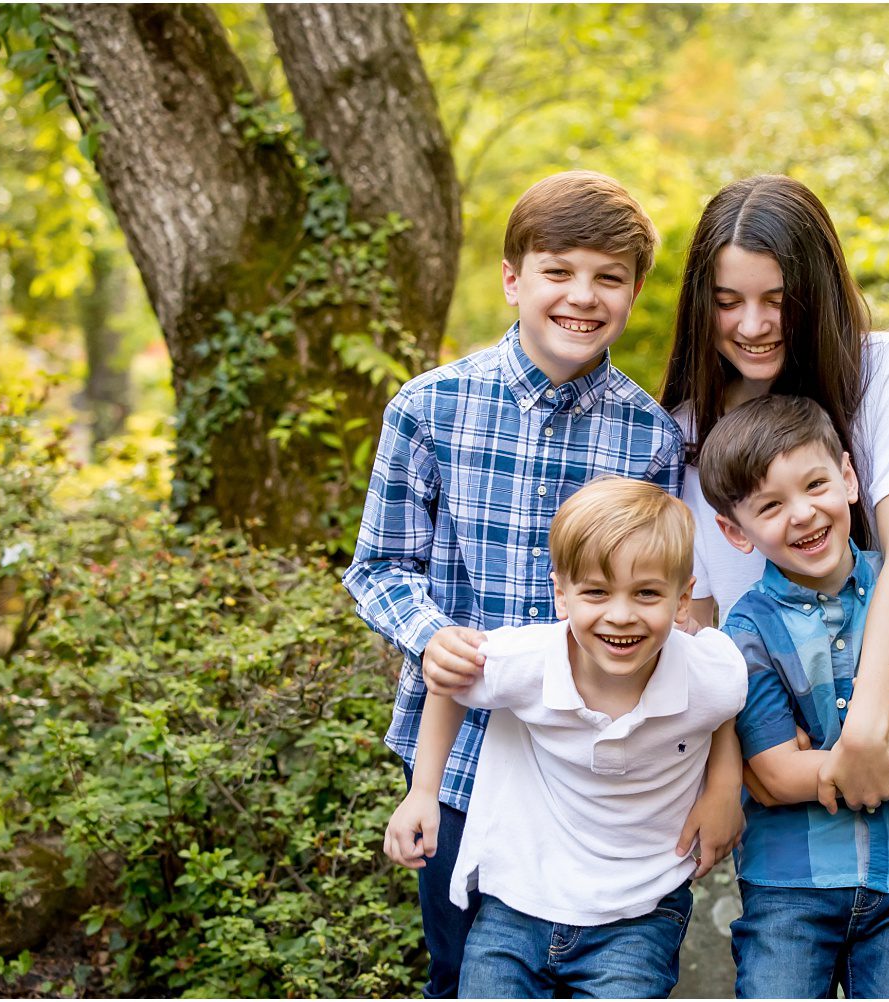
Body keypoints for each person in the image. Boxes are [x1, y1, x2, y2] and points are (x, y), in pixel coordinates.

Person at [345, 171, 743, 999]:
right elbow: (380, 567)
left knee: (607, 962)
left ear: (635, 292)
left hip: (599, 778)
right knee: (463, 972)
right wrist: (432, 636)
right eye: (558, 271)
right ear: (513, 277)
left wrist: (717, 781)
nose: (581, 297)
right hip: (459, 759)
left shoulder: (651, 436)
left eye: (608, 277)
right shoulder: (429, 408)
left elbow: (690, 621)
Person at [660, 173, 889, 993]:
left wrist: (874, 734)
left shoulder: (885, 371)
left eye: (777, 298)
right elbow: (703, 633)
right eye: (728, 301)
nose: (754, 325)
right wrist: (735, 780)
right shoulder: (689, 434)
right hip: (783, 788)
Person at [383, 478, 747, 999]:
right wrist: (422, 793)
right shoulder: (528, 660)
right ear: (561, 593)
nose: (620, 615)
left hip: (639, 914)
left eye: (647, 593)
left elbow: (730, 706)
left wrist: (723, 788)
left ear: (683, 598)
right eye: (596, 592)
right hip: (517, 902)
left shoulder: (711, 672)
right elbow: (450, 681)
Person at [697, 395, 889, 998]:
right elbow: (775, 776)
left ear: (850, 478)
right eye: (770, 506)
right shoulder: (747, 633)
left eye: (815, 485)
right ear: (734, 531)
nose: (801, 514)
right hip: (790, 889)